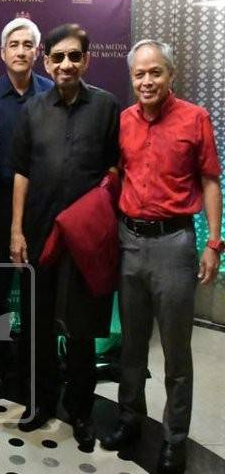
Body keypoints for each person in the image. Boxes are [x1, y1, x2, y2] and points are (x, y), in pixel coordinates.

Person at [101, 40, 222, 473]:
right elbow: (115, 175)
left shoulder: (195, 118)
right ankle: (130, 419)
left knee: (175, 351)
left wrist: (213, 244)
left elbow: (210, 181)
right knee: (132, 346)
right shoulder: (123, 122)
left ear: (170, 75)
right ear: (131, 78)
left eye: (155, 73)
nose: (147, 81)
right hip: (129, 241)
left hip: (175, 245)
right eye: (139, 74)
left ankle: (174, 439)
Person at [9, 23, 119, 450]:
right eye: (58, 57)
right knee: (36, 325)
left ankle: (81, 412)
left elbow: (115, 169)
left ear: (86, 60)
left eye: (75, 56)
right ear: (46, 61)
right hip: (39, 235)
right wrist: (17, 231)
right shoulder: (32, 111)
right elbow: (21, 172)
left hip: (86, 240)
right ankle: (40, 404)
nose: (66, 64)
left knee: (82, 330)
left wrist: (95, 209)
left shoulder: (107, 107)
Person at [0, 18, 53, 390]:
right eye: (15, 45)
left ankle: (30, 371)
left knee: (35, 295)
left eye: (28, 45)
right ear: (2, 52)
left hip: (40, 212)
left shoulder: (52, 94)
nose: (22, 51)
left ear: (38, 53)